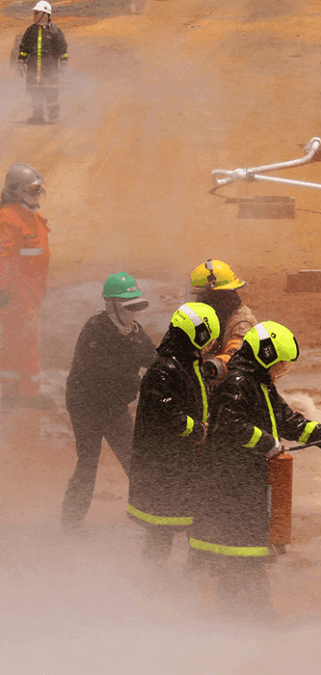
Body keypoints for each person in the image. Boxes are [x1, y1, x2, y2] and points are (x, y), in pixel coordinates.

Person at [188, 321, 321, 617]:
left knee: (241, 557)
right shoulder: (238, 384)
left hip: (244, 485)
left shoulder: (258, 384)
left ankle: (231, 618)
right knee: (246, 555)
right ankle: (259, 618)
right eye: (280, 365)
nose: (280, 372)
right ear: (266, 356)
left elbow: (287, 420)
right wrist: (267, 443)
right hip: (231, 486)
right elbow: (231, 427)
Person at [60, 273, 156, 530]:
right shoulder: (95, 329)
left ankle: (148, 514)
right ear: (111, 304)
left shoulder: (135, 333)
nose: (132, 312)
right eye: (127, 306)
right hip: (86, 406)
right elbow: (105, 373)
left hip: (114, 406)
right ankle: (71, 521)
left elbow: (155, 361)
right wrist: (141, 384)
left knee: (135, 458)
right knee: (88, 461)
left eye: (135, 306)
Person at [127, 302, 219, 566]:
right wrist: (201, 430)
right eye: (209, 338)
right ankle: (154, 584)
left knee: (189, 527)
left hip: (180, 465)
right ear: (199, 336)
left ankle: (186, 578)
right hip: (165, 469)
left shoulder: (188, 364)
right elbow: (169, 418)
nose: (211, 345)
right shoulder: (165, 370)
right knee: (162, 531)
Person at [0, 162, 51, 406]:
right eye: (32, 190)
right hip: (17, 294)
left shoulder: (29, 214)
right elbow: (3, 256)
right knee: (25, 339)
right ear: (16, 191)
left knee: (15, 339)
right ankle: (30, 393)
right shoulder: (8, 218)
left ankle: (10, 388)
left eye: (39, 189)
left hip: (30, 291)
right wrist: (3, 289)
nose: (37, 194)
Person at [189, 259, 256, 384]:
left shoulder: (242, 322)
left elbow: (239, 355)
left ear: (216, 295)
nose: (198, 300)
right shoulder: (211, 316)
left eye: (202, 295)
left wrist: (211, 367)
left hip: (233, 386)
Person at [16, 2, 68, 125]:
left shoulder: (55, 31)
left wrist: (64, 63)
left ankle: (53, 116)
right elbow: (24, 48)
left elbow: (62, 49)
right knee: (35, 91)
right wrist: (21, 61)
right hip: (33, 67)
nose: (34, 15)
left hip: (49, 68)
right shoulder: (30, 30)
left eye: (36, 13)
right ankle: (37, 115)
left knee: (51, 92)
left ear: (46, 14)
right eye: (34, 13)